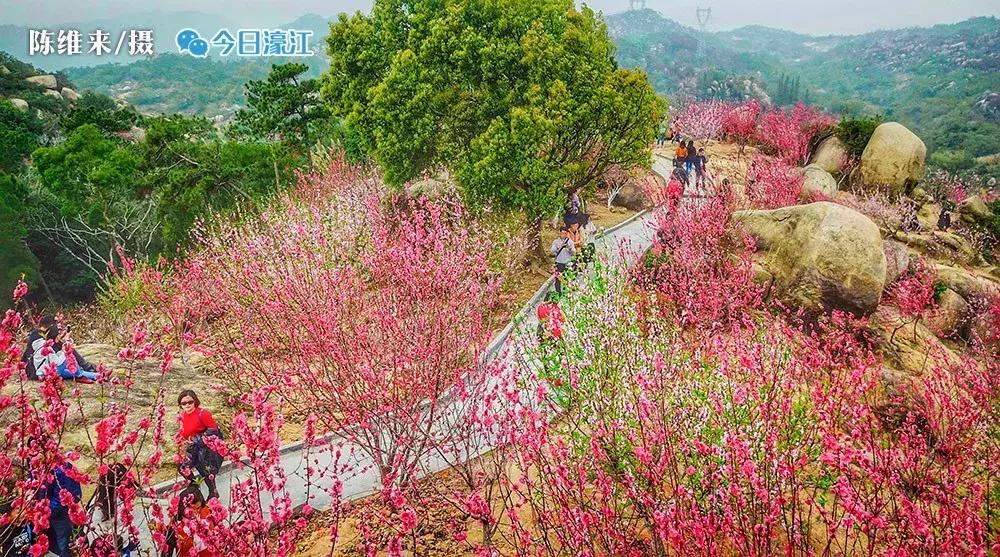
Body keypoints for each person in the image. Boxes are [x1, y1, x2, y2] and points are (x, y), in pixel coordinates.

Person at [177, 390, 223, 501]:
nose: (187, 405)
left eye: (190, 402)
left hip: (205, 449)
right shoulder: (182, 416)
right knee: (182, 467)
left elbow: (213, 430)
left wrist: (197, 439)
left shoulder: (203, 413)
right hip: (192, 448)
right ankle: (194, 486)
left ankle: (213, 493)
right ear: (180, 405)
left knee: (205, 472)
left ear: (195, 401)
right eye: (184, 403)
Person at [88, 464, 139, 557]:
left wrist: (130, 538)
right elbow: (93, 533)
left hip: (123, 546)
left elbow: (125, 523)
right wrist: (115, 545)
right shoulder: (99, 506)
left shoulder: (122, 500)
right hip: (109, 551)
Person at [33, 325, 98, 383]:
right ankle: (79, 376)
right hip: (48, 374)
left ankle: (98, 376)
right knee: (69, 356)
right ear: (55, 335)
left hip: (43, 373)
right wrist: (65, 351)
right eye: (59, 335)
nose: (61, 337)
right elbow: (56, 362)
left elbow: (53, 358)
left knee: (72, 371)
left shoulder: (41, 344)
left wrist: (61, 351)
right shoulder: (47, 348)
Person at [160, 485, 211, 557]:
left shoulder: (207, 512)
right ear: (183, 507)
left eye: (198, 508)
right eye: (191, 510)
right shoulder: (174, 527)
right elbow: (166, 553)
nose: (195, 513)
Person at [45, 461, 83, 557]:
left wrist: (49, 511)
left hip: (58, 512)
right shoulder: (65, 465)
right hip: (65, 509)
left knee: (64, 542)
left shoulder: (55, 471)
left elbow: (57, 497)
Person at [550, 226, 576, 295]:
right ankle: (558, 293)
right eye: (562, 233)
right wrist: (559, 247)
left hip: (568, 262)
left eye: (565, 233)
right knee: (558, 278)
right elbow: (552, 251)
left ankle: (568, 291)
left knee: (568, 278)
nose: (563, 235)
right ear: (559, 233)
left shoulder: (570, 242)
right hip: (559, 262)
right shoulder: (556, 242)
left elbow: (574, 252)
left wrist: (569, 247)